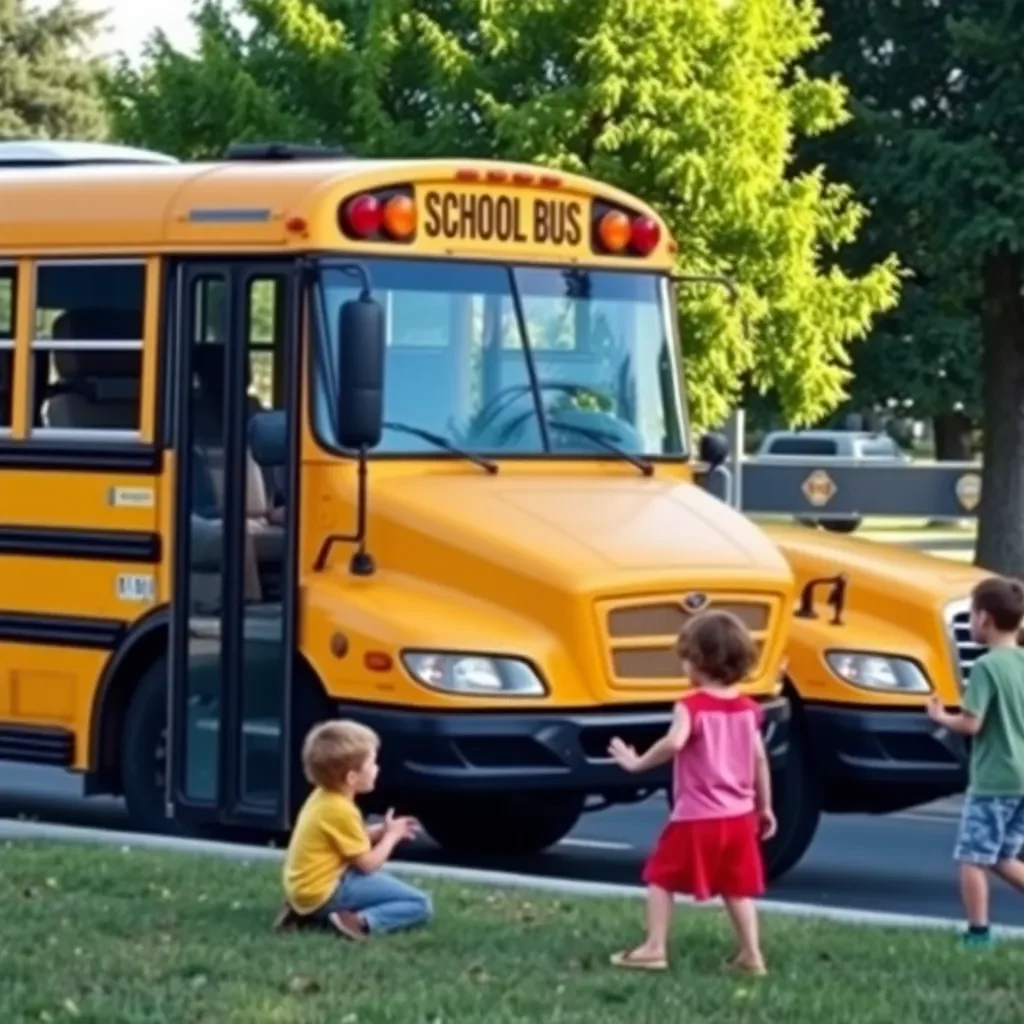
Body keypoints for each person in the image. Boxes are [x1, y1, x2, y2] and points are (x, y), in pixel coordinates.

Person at [607, 610, 776, 975]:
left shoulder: (690, 705)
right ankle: (751, 955)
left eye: (685, 657)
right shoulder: (750, 710)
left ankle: (653, 948)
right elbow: (759, 760)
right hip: (739, 816)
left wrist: (637, 763)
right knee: (735, 886)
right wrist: (766, 807)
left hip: (698, 814)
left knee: (660, 876)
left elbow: (674, 742)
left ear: (698, 661)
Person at [927, 575, 1024, 946]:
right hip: (1022, 778)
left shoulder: (986, 667)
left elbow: (972, 723)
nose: (970, 622)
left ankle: (978, 933)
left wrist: (940, 718)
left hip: (994, 778)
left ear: (984, 618)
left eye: (970, 614)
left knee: (972, 857)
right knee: (1002, 855)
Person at [275, 720, 433, 940]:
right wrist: (391, 837)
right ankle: (357, 922)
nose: (377, 769)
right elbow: (368, 864)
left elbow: (344, 841)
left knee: (381, 887)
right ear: (352, 777)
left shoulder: (322, 797)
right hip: (327, 890)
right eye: (372, 764)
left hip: (304, 890)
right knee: (420, 903)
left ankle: (306, 914)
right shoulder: (342, 810)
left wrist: (380, 830)